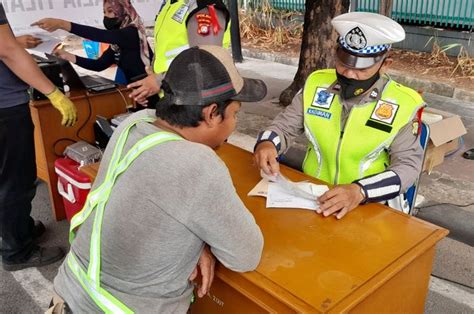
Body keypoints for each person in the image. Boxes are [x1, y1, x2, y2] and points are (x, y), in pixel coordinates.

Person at [50, 45, 266, 313]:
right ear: (211, 113)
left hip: (68, 294)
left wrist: (195, 243)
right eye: (235, 114)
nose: (234, 124)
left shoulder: (135, 124)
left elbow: (153, 204)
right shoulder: (198, 163)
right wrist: (203, 241)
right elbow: (245, 255)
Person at [254, 12, 426, 219]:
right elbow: (283, 127)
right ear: (336, 53)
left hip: (370, 205)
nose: (349, 73)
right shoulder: (316, 84)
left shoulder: (404, 103)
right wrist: (267, 144)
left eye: (362, 68)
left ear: (385, 64)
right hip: (314, 198)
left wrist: (360, 191)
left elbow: (408, 167)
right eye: (344, 63)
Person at [0, 4, 77, 271]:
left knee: (6, 176)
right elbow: (7, 51)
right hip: (5, 107)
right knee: (16, 180)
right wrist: (52, 92)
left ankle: (17, 230)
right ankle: (16, 251)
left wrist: (14, 41)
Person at [127, 0, 231, 106]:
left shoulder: (202, 5)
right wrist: (149, 86)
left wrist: (159, 80)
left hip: (196, 102)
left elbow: (206, 63)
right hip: (173, 98)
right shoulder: (169, 4)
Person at [32, 0, 153, 85]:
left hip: (149, 89)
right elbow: (99, 65)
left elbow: (100, 35)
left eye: (110, 11)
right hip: (135, 90)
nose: (106, 17)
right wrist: (66, 55)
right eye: (104, 12)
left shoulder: (130, 33)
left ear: (123, 10)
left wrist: (62, 24)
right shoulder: (116, 45)